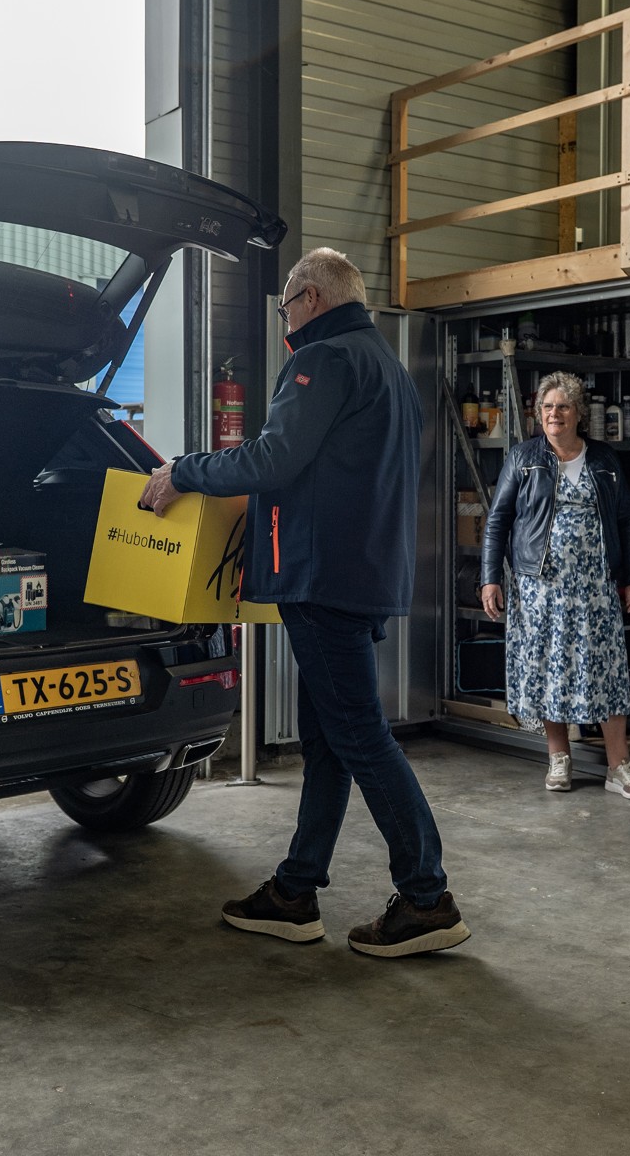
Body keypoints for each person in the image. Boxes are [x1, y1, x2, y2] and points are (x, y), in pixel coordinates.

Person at [141, 248, 469, 958]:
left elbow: (272, 458)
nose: (285, 320)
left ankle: (426, 897)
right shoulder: (386, 366)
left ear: (312, 298)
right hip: (364, 573)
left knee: (360, 736)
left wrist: (184, 471)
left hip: (323, 579)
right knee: (328, 741)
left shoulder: (323, 359)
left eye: (288, 305)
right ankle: (295, 892)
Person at [479, 371, 630, 800]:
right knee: (547, 670)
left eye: (562, 406)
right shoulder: (523, 458)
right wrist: (490, 578)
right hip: (540, 590)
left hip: (596, 590)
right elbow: (497, 521)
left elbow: (628, 521)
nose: (553, 414)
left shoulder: (604, 459)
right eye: (547, 407)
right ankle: (559, 757)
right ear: (539, 414)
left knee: (607, 670)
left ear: (578, 414)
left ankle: (619, 766)